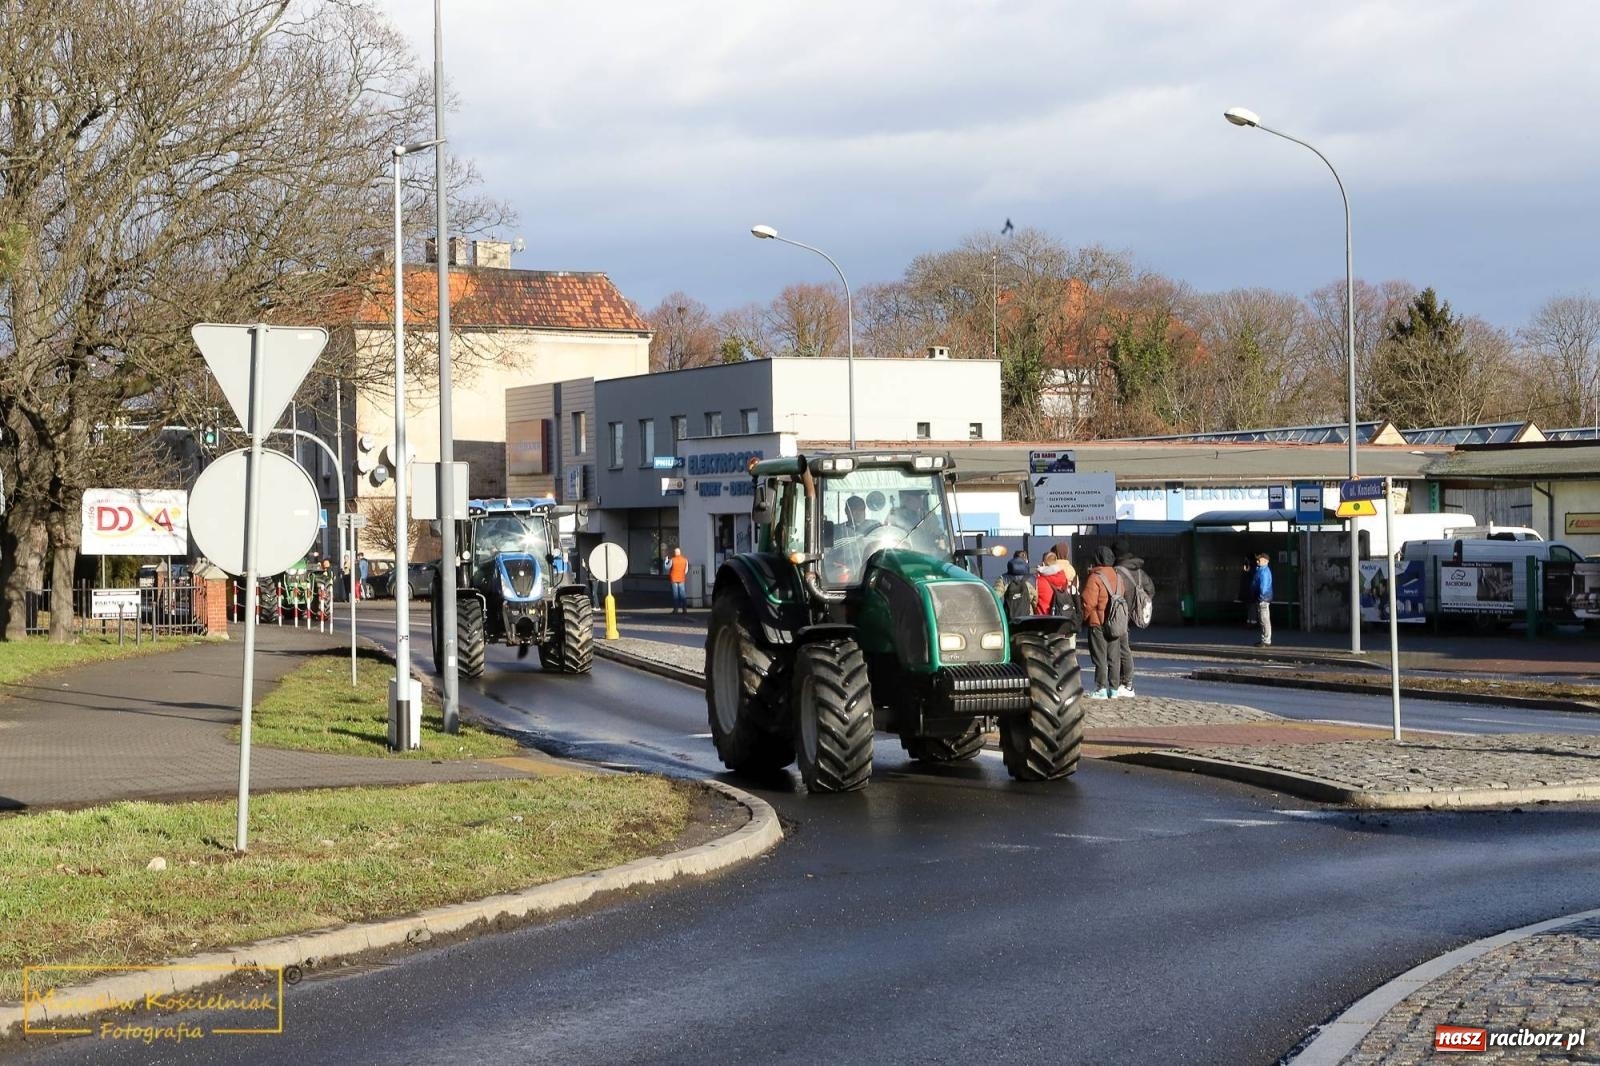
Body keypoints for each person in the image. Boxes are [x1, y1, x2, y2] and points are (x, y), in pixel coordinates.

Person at [1080, 546, 1127, 699]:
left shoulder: (1095, 577)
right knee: (1114, 657)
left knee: (1100, 657)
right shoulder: (1118, 576)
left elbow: (1088, 602)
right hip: (1115, 622)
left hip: (1097, 623)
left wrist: (1082, 619)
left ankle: (1100, 688)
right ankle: (1113, 689)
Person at [1111, 539, 1155, 696]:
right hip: (1133, 614)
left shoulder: (1117, 572)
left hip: (1121, 614)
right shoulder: (1139, 571)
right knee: (1124, 647)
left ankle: (1127, 683)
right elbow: (1151, 590)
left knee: (1122, 648)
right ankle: (1125, 683)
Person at [997, 551, 1037, 619]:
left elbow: (995, 596)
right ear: (1026, 561)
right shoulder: (1032, 579)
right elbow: (1035, 601)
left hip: (1009, 616)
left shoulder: (1003, 578)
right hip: (1028, 617)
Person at [1252, 552, 1274, 646]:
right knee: (1263, 619)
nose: (1257, 561)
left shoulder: (1263, 571)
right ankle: (1265, 639)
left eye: (1259, 560)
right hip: (1263, 597)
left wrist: (1260, 597)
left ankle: (1266, 640)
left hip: (1263, 598)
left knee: (1264, 619)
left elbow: (1263, 587)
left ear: (1266, 561)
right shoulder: (1261, 570)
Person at [668, 546, 689, 614]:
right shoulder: (685, 560)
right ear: (680, 553)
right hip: (681, 579)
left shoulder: (672, 560)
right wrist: (682, 574)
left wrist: (666, 562)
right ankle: (684, 609)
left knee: (675, 595)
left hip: (674, 579)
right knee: (682, 594)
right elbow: (686, 570)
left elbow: (668, 567)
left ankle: (676, 609)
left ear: (675, 553)